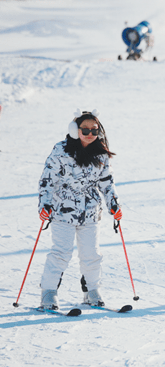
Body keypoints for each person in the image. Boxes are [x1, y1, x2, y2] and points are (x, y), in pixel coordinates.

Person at [38, 109, 122, 310]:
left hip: (90, 212)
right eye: (86, 130)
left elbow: (106, 182)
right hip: (62, 211)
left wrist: (113, 204)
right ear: (75, 130)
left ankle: (92, 291)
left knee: (91, 254)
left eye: (95, 131)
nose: (91, 135)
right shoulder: (61, 150)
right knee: (60, 253)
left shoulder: (101, 153)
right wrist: (45, 205)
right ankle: (48, 293)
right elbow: (47, 180)